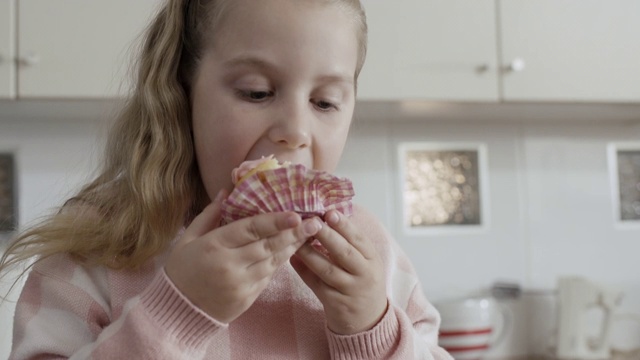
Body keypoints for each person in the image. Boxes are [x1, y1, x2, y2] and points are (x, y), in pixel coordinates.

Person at [0, 0, 452, 358]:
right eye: (257, 92)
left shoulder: (372, 254)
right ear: (183, 89)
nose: (295, 129)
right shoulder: (97, 249)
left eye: (326, 102)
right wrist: (176, 314)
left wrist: (374, 332)